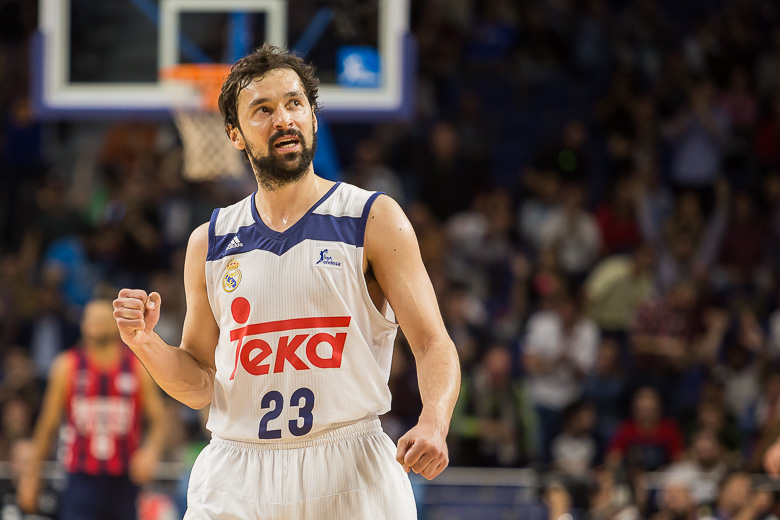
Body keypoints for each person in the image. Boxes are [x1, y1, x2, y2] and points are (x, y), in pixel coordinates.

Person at [112, 44, 460, 519]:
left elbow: (433, 343)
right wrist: (145, 343)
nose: (283, 119)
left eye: (294, 104)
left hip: (350, 466)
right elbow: (199, 385)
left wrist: (434, 421)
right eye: (263, 109)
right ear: (234, 135)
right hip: (237, 468)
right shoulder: (208, 242)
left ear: (313, 116)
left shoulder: (372, 218)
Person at [17, 299, 166, 520]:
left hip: (125, 480)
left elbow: (160, 420)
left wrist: (151, 450)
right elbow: (47, 426)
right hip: (80, 477)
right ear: (83, 325)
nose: (95, 322)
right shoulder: (66, 366)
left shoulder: (136, 367)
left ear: (114, 324)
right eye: (90, 318)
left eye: (101, 318)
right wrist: (31, 477)